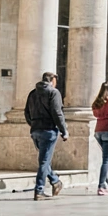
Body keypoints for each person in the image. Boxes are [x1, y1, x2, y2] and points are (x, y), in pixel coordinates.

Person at [24, 71, 67, 201]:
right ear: (52, 80)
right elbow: (57, 112)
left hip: (35, 130)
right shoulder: (53, 92)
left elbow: (26, 112)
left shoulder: (32, 93)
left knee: (44, 160)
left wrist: (33, 124)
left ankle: (55, 181)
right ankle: (39, 190)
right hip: (48, 130)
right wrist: (64, 130)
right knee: (44, 161)